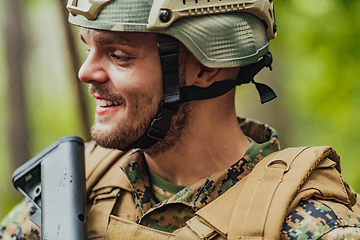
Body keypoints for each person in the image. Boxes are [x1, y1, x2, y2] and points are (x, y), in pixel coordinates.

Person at [1, 0, 360, 239]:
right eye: (88, 48)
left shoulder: (313, 226)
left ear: (207, 67)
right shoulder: (77, 186)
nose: (86, 72)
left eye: (119, 55)